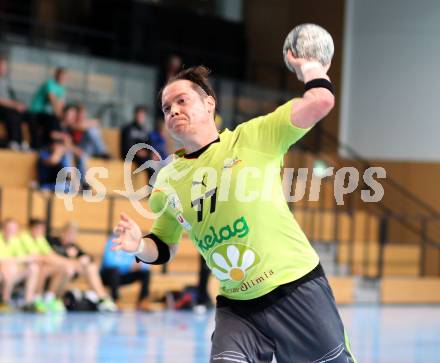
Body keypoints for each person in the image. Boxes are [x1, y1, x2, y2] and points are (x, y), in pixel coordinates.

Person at [112, 52, 356, 362]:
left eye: (182, 101)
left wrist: (309, 66)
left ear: (209, 103)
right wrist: (138, 246)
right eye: (166, 107)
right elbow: (163, 245)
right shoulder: (167, 179)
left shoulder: (254, 137)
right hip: (238, 309)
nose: (172, 110)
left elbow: (320, 101)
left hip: (297, 289)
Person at [50, 222, 118, 312]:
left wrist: (84, 259)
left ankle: (102, 298)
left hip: (69, 272)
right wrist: (71, 258)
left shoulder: (74, 247)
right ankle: (52, 299)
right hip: (53, 273)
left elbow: (88, 258)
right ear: (63, 232)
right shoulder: (52, 242)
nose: (71, 237)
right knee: (68, 268)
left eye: (74, 234)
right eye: (69, 234)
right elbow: (48, 257)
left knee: (91, 267)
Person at [20, 219, 75, 312]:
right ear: (31, 228)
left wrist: (67, 264)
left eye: (42, 229)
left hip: (37, 265)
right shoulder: (24, 237)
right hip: (24, 267)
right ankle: (36, 297)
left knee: (61, 268)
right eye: (38, 228)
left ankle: (49, 298)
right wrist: (68, 262)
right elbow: (37, 257)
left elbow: (50, 254)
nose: (40, 231)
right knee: (41, 267)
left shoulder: (40, 238)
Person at [100, 235, 151, 311]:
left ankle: (142, 301)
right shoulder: (112, 242)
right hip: (107, 276)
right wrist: (129, 265)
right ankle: (115, 300)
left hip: (124, 276)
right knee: (114, 271)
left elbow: (146, 265)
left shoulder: (133, 244)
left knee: (145, 272)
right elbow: (109, 262)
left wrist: (140, 265)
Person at [0, 218, 41, 312]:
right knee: (9, 269)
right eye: (9, 228)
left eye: (14, 229)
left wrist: (14, 261)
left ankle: (27, 302)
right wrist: (14, 261)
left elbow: (27, 258)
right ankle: (4, 301)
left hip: (10, 271)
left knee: (33, 268)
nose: (12, 231)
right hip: (3, 271)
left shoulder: (15, 241)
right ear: (3, 228)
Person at [28, 67, 67, 149]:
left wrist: (62, 117)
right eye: (61, 76)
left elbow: (61, 104)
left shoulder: (62, 88)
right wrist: (60, 116)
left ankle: (52, 144)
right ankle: (40, 145)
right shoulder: (50, 84)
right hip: (36, 111)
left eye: (64, 76)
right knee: (52, 122)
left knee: (56, 122)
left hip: (47, 114)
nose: (62, 78)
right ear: (56, 75)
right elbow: (53, 100)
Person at [0, 56, 29, 150]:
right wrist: (15, 105)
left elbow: (10, 97)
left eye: (4, 67)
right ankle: (14, 141)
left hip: (7, 106)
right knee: (12, 113)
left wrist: (19, 104)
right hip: (2, 107)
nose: (3, 69)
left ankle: (24, 142)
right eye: (1, 66)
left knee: (29, 115)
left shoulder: (5, 81)